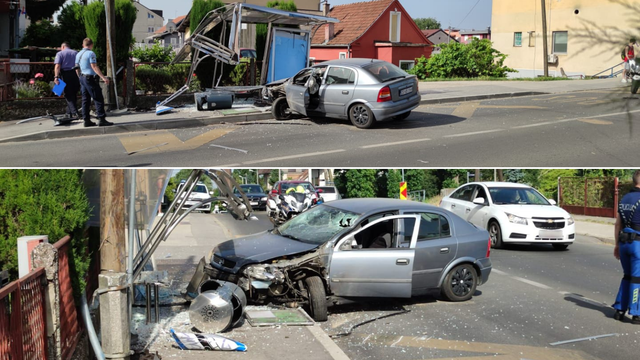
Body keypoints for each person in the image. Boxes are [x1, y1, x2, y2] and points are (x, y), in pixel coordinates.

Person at [612, 170, 640, 324]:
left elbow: (618, 224)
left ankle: (619, 310)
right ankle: (636, 313)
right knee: (637, 279)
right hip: (638, 244)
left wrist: (616, 245)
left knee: (627, 276)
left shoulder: (624, 199)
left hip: (624, 243)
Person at [75, 37, 113, 127]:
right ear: (91, 45)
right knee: (98, 98)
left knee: (85, 100)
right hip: (90, 78)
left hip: (82, 77)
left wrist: (80, 77)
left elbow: (76, 68)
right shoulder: (91, 53)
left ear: (83, 45)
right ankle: (101, 118)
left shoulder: (78, 54)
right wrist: (103, 78)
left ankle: (86, 120)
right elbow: (94, 66)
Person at [53, 42, 80, 125]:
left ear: (63, 46)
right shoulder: (75, 53)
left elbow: (57, 66)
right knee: (73, 93)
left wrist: (56, 77)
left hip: (65, 74)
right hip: (75, 74)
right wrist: (79, 77)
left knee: (67, 94)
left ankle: (74, 112)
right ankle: (69, 113)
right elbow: (78, 65)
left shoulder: (60, 53)